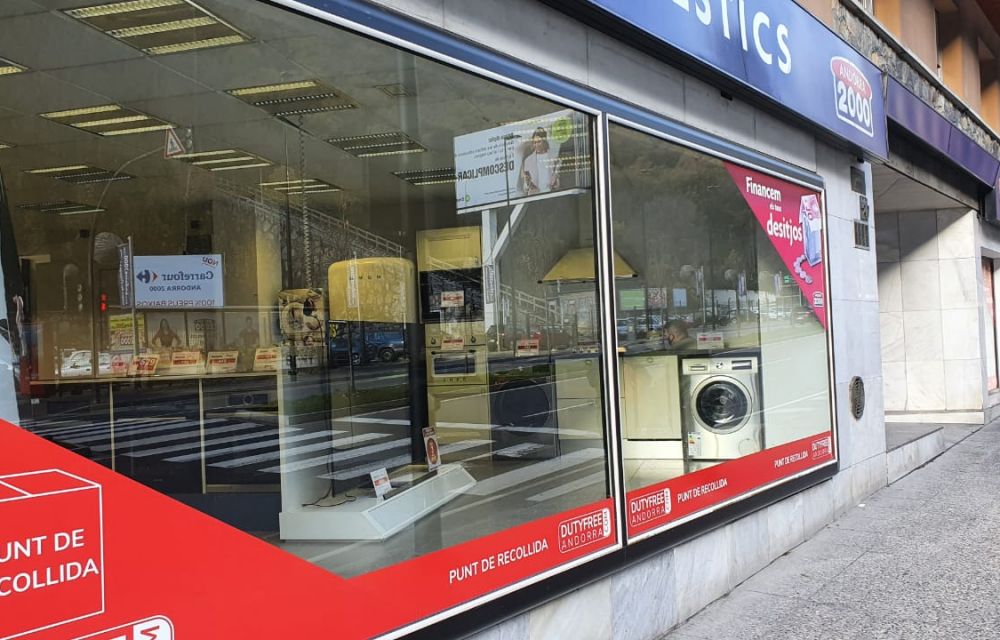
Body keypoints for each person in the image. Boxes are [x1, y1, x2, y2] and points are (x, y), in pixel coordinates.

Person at [518, 127, 559, 195]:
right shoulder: (528, 160)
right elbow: (525, 188)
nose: (536, 145)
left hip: (551, 195)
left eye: (539, 142)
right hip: (535, 196)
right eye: (534, 142)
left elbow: (557, 183)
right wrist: (528, 184)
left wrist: (555, 180)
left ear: (544, 141)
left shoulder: (553, 157)